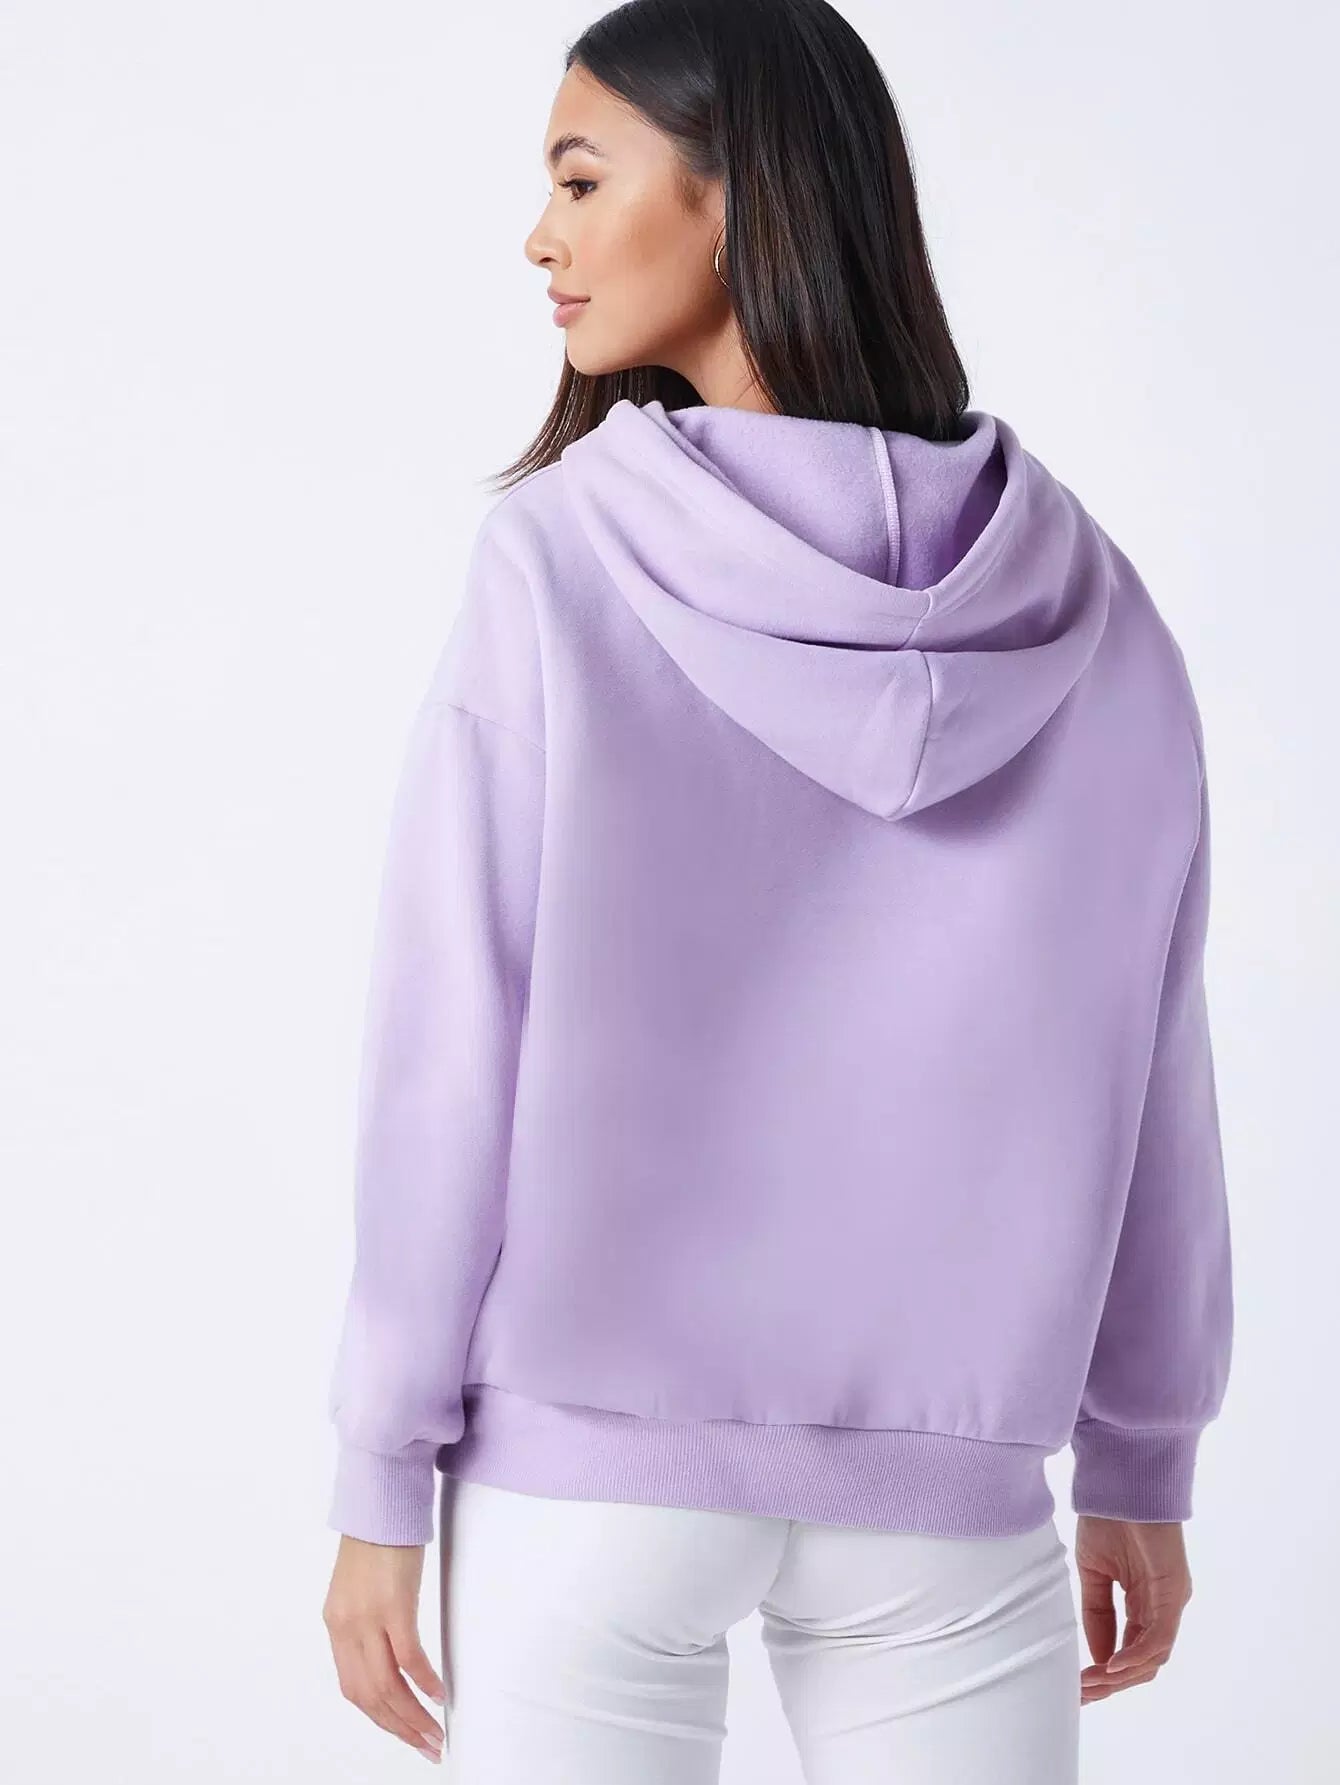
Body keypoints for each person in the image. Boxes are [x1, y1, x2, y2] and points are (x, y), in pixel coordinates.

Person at [320, 2, 1235, 1777]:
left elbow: (451, 1044)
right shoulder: (1096, 606)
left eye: (581, 179)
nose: (540, 237)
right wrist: (1145, 1450)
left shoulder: (558, 562)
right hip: (954, 1492)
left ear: (733, 197)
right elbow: (1150, 1061)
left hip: (589, 1477)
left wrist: (378, 1467)